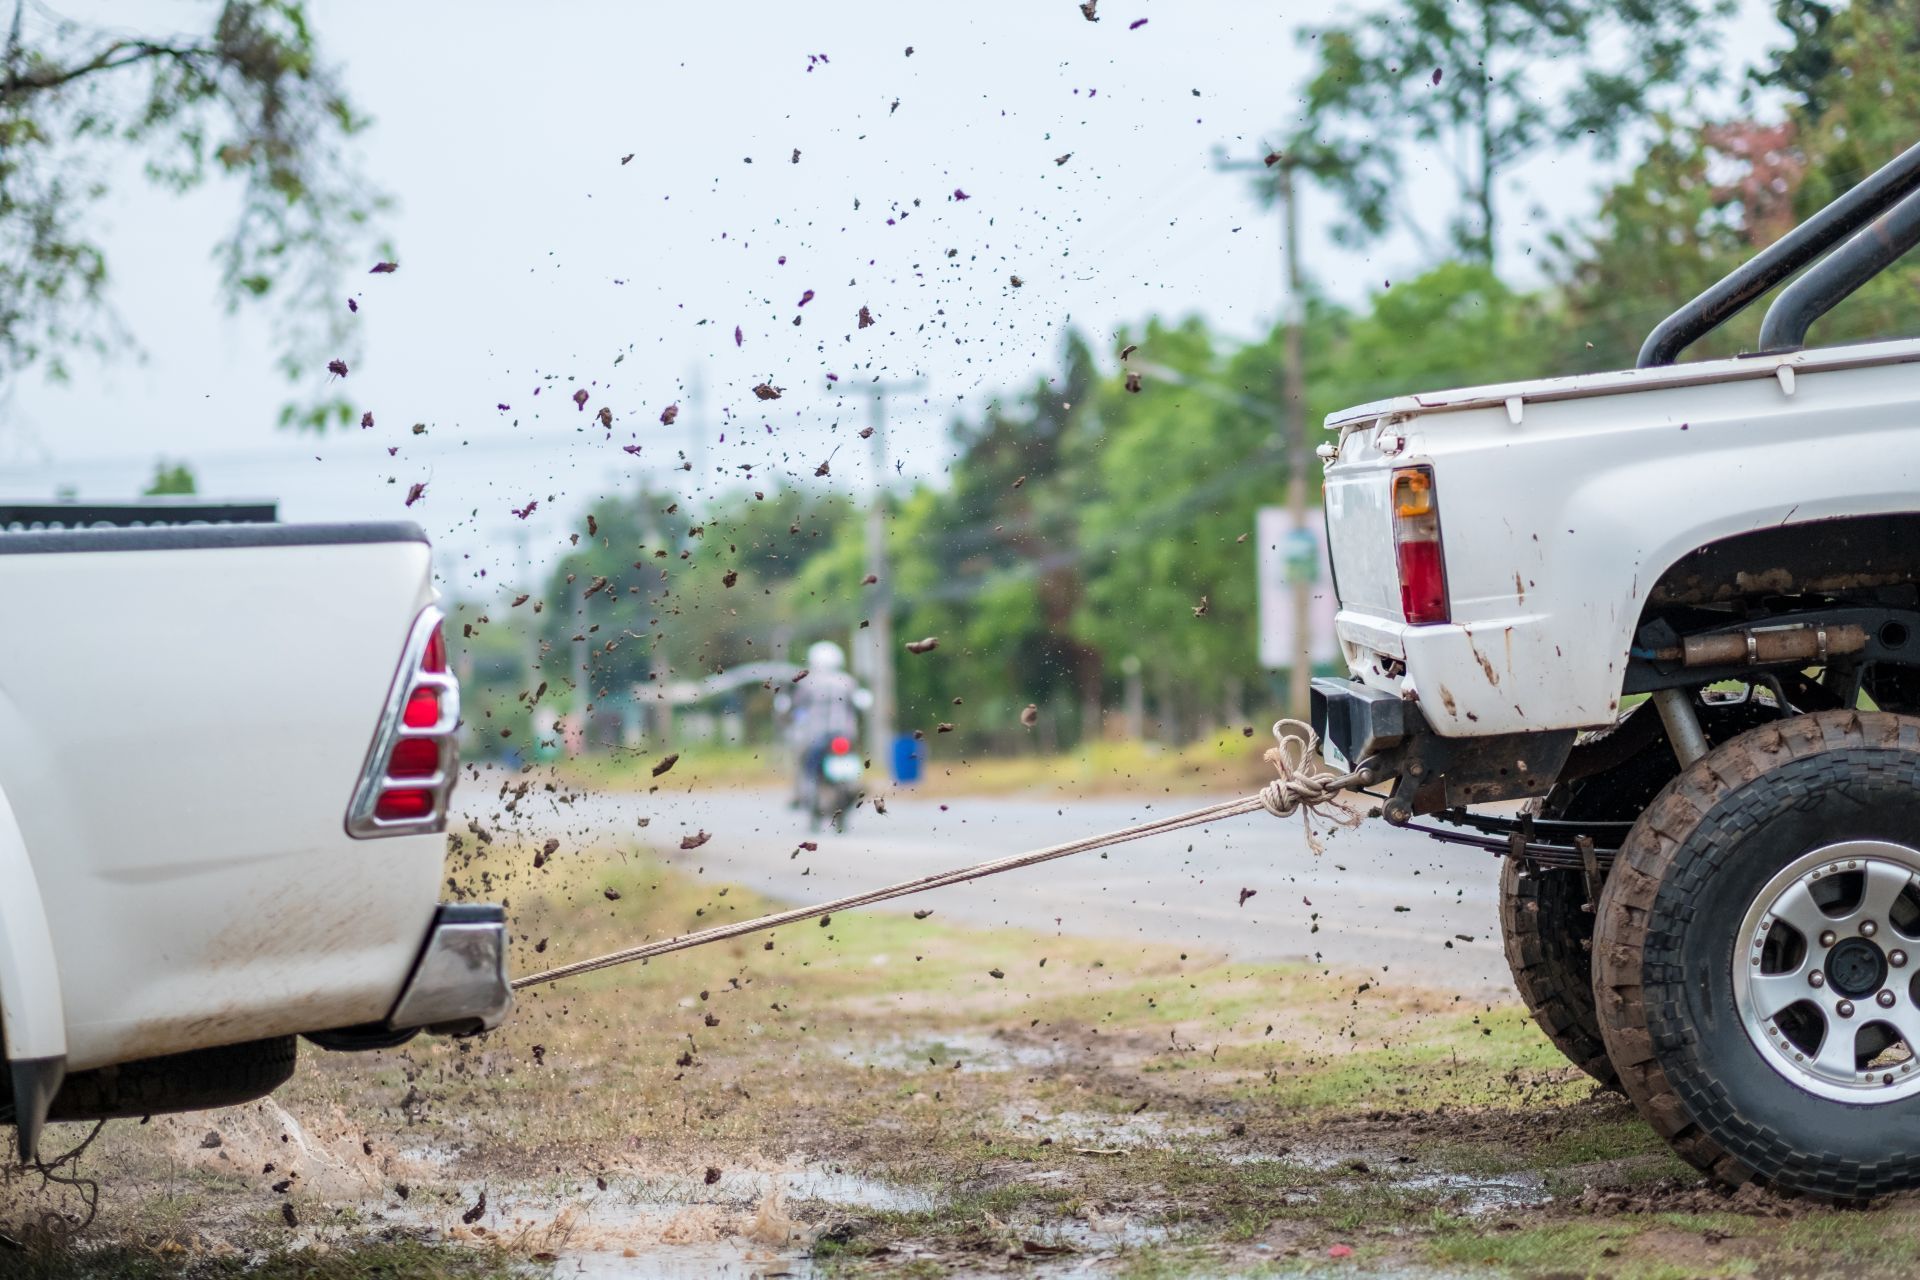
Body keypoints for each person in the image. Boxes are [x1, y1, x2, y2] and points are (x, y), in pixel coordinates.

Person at [782, 640, 868, 808]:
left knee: (803, 760)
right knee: (852, 754)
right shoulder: (848, 681)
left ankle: (801, 792)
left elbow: (796, 706)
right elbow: (860, 704)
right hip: (844, 733)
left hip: (814, 735)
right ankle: (854, 784)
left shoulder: (807, 682)